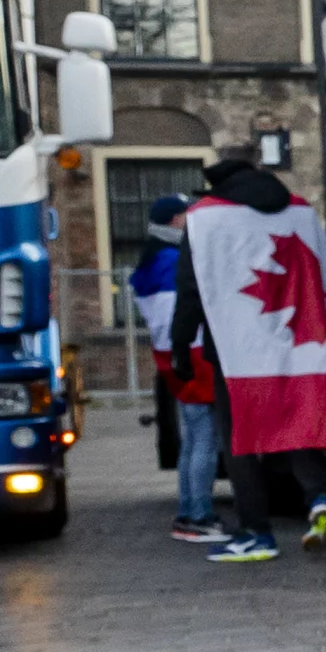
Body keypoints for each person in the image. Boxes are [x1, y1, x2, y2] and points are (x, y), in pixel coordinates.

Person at [172, 151, 326, 565]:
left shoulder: (205, 218)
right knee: (299, 426)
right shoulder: (301, 212)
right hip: (299, 343)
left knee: (240, 440)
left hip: (237, 350)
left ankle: (257, 532)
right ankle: (318, 496)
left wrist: (181, 346)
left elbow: (191, 290)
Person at [132, 195, 227, 542]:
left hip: (173, 355)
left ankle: (188, 512)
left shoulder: (152, 259)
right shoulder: (173, 260)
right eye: (188, 215)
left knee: (192, 438)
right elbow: (187, 309)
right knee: (205, 438)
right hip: (194, 353)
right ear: (175, 220)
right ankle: (199, 515)